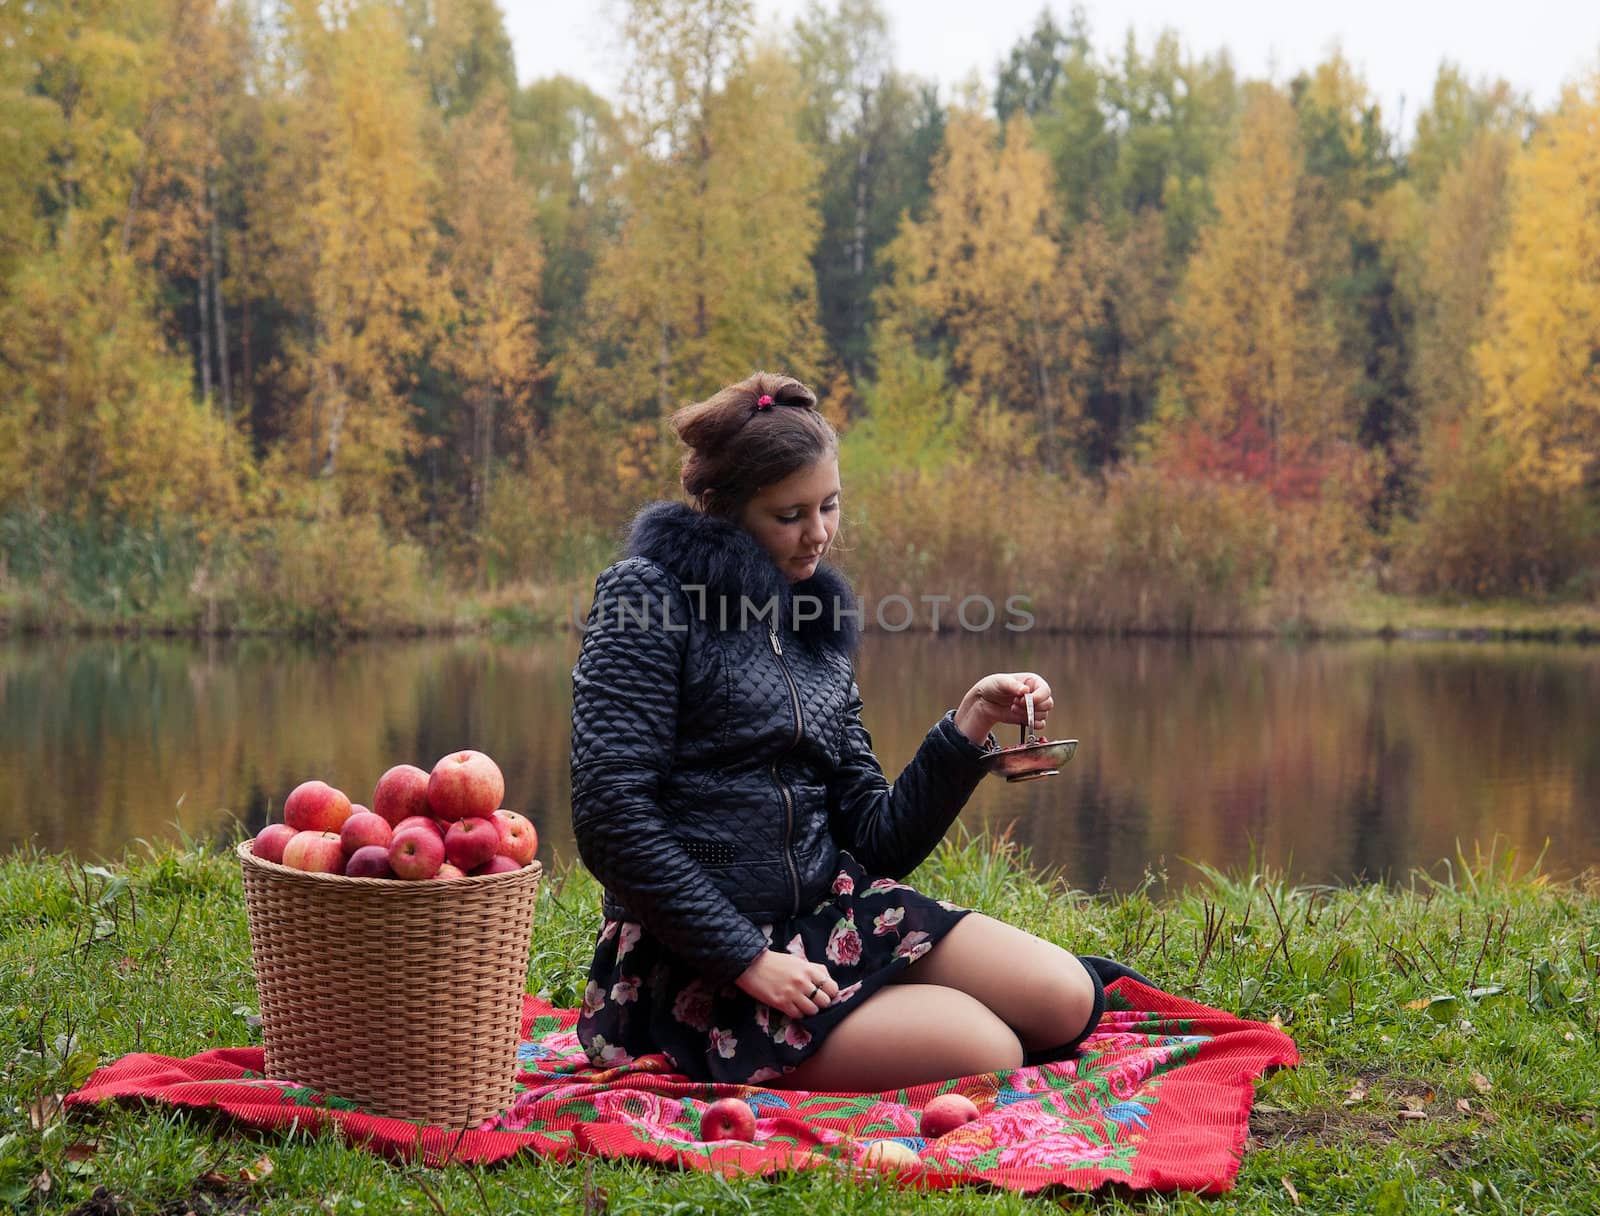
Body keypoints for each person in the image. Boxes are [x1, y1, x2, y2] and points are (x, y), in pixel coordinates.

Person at [569, 371, 1103, 1091]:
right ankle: (829, 1022)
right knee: (994, 1048)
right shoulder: (646, 596)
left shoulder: (813, 622)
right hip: (701, 953)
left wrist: (968, 722)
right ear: (722, 510)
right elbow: (610, 816)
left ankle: (868, 1007)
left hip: (827, 912)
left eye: (829, 505)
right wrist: (746, 959)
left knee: (1066, 1000)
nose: (817, 534)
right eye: (788, 515)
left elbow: (876, 839)